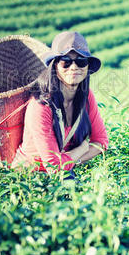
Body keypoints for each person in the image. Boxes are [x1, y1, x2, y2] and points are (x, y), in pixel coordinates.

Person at [11, 31, 109, 177]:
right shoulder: (41, 106)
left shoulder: (86, 96)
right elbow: (53, 166)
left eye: (81, 61)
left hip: (64, 171)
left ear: (87, 66)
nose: (74, 67)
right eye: (66, 62)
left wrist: (71, 160)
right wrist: (82, 149)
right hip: (30, 177)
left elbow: (101, 142)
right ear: (55, 66)